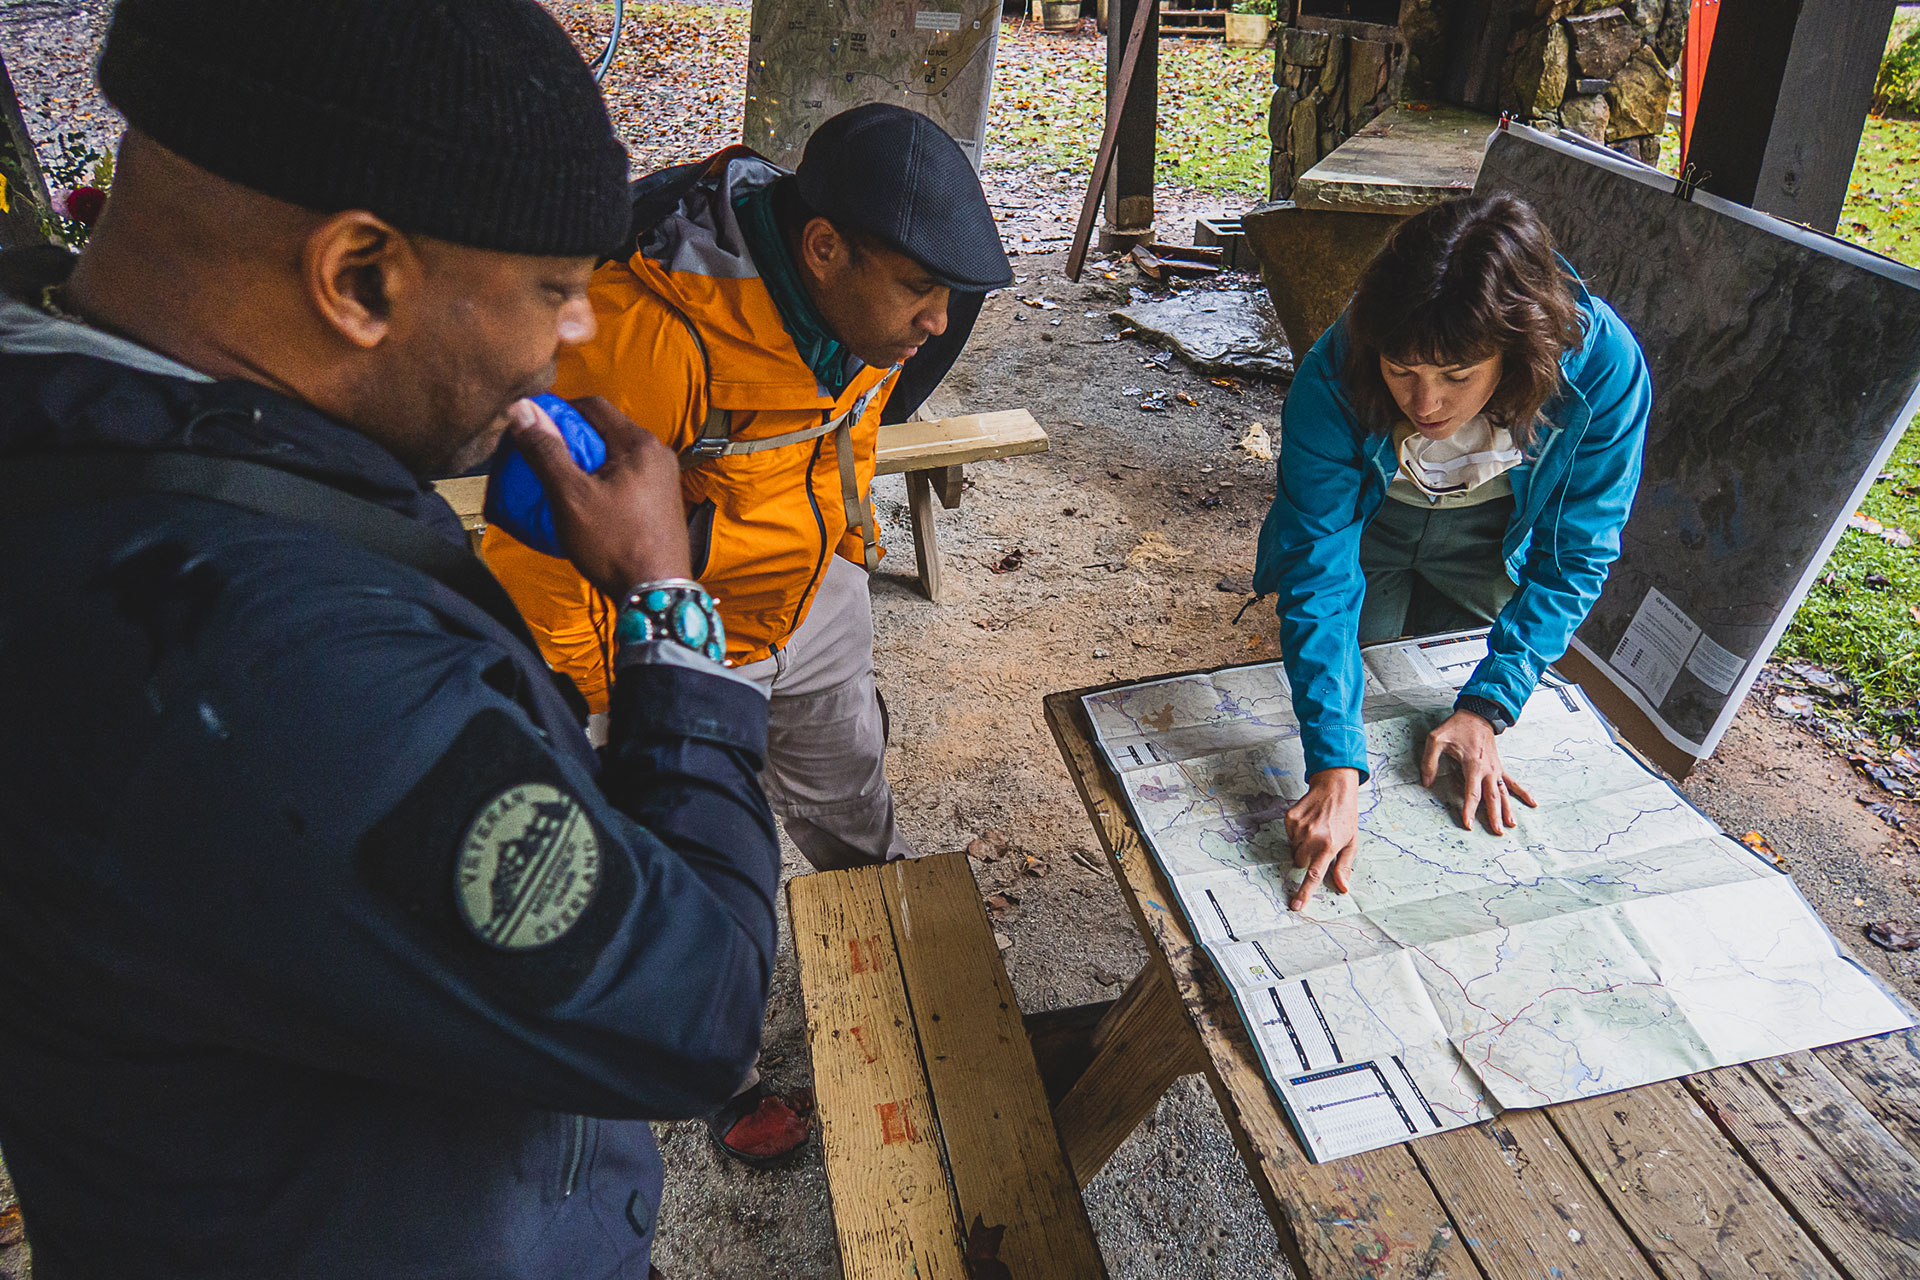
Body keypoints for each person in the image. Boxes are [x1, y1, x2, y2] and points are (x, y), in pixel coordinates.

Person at [0, 2, 779, 1276]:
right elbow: (694, 1007)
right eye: (554, 291)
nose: (575, 337)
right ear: (360, 278)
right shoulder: (266, 667)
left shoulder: (90, 441)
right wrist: (666, 604)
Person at [480, 106, 1009, 1160]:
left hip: (809, 603)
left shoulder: (863, 312)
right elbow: (542, 548)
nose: (938, 323)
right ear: (823, 248)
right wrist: (604, 695)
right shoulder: (645, 331)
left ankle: (905, 965)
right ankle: (727, 1067)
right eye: (919, 289)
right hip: (677, 639)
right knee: (697, 861)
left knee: (853, 792)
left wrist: (849, 545)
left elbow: (856, 411)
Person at [1253, 194, 1653, 912]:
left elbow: (1576, 554)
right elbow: (1319, 568)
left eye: (1457, 375)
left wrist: (1489, 703)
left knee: (1450, 689)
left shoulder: (1603, 369)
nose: (1424, 402)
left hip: (1492, 531)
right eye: (1400, 369)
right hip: (1372, 520)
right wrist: (1335, 765)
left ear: (1521, 348)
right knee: (1356, 683)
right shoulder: (1337, 365)